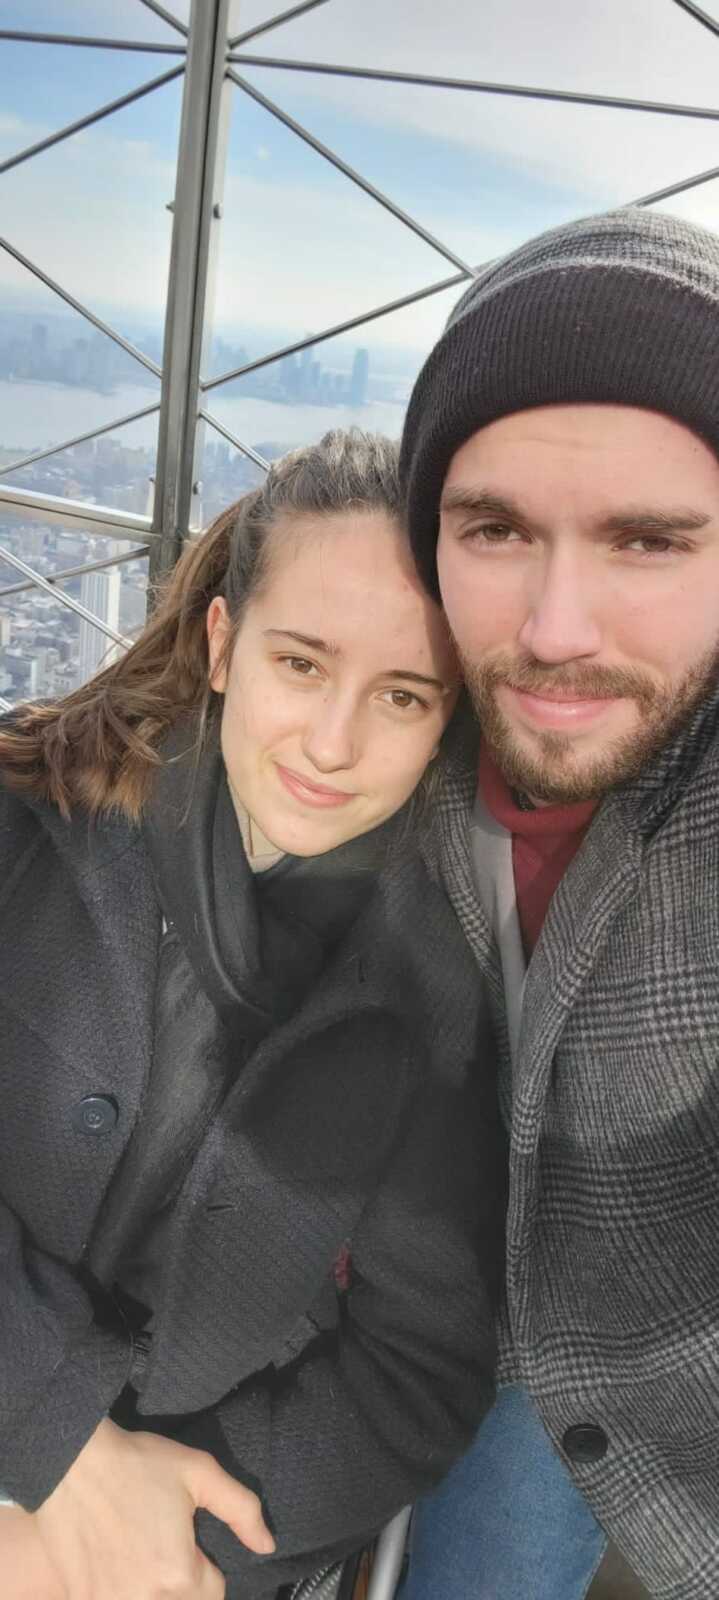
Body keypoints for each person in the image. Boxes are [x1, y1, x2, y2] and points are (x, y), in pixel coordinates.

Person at [0, 429, 505, 1600]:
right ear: (223, 645)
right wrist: (61, 1441)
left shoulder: (434, 1003)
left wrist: (172, 1548)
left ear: (447, 720)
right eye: (301, 664)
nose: (333, 745)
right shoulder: (29, 823)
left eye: (400, 693)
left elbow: (416, 1371)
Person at [396, 207, 719, 1600]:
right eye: (493, 529)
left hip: (630, 1354)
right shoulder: (357, 714)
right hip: (371, 1286)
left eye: (646, 542)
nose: (551, 631)